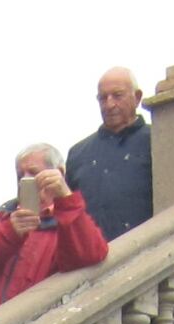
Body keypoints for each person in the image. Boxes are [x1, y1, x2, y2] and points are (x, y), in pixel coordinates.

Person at [0, 143, 109, 324]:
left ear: (58, 173)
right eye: (21, 175)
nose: (25, 179)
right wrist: (9, 232)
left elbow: (89, 255)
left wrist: (66, 198)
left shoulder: (67, 223)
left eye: (34, 173)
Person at [66, 67, 153, 242]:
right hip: (92, 255)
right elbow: (68, 211)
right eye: (103, 98)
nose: (109, 104)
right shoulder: (78, 153)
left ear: (137, 97)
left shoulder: (157, 140)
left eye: (117, 95)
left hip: (145, 250)